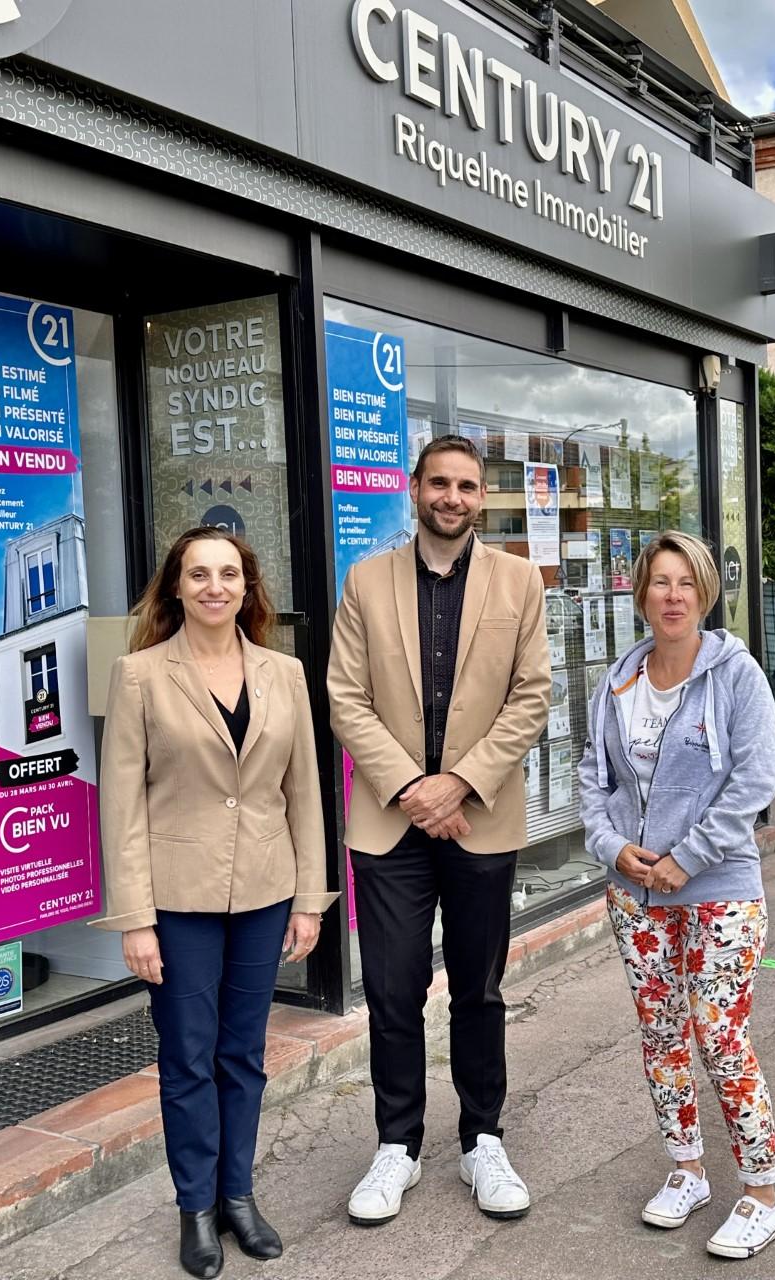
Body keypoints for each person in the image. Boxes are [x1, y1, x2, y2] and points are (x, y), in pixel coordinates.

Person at [95, 527, 337, 1279]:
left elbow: (305, 792)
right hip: (178, 899)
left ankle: (238, 1195)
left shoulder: (284, 672)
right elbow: (121, 804)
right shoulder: (139, 675)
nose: (213, 586)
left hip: (266, 893)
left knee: (243, 1054)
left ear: (247, 585)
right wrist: (134, 917)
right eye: (197, 574)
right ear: (175, 587)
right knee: (188, 1057)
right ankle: (195, 1206)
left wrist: (310, 899)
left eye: (227, 574)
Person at [327, 435, 551, 1226]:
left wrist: (458, 783)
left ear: (480, 498)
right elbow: (345, 698)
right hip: (389, 826)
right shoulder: (365, 580)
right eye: (439, 483)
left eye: (466, 486)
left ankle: (482, 1139)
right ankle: (397, 1147)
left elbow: (532, 696)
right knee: (391, 989)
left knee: (479, 988)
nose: (452, 497)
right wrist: (415, 790)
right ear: (413, 488)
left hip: (482, 819)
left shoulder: (521, 581)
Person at [578, 530, 775, 1261]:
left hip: (718, 889)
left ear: (705, 592)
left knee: (720, 1037)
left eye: (686, 582)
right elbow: (590, 781)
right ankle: (687, 1169)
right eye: (659, 582)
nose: (672, 596)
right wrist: (614, 849)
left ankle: (761, 1192)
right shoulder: (618, 679)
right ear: (641, 595)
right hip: (634, 895)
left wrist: (685, 859)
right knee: (662, 1037)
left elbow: (756, 781)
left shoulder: (735, 674)